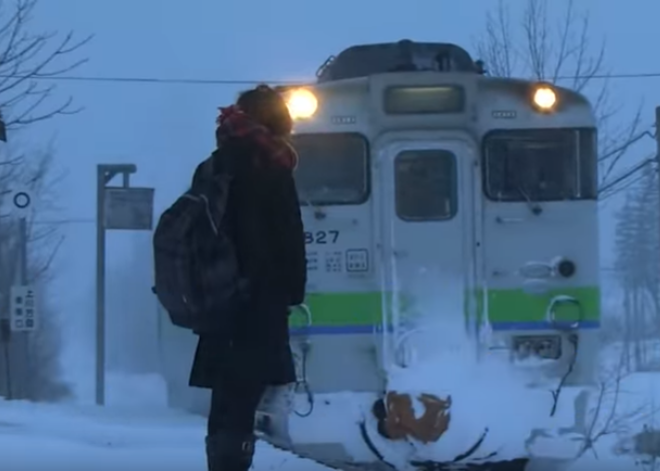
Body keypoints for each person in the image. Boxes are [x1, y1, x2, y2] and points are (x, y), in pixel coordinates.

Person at [187, 85, 307, 471]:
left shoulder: (213, 164)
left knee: (225, 397)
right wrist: (292, 291)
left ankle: (219, 463)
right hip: (258, 298)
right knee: (246, 396)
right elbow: (287, 233)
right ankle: (234, 465)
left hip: (217, 296)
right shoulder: (272, 165)